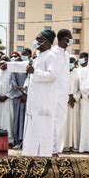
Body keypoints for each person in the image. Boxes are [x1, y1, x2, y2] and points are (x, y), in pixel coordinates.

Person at [21, 29, 57, 157]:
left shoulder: (51, 55)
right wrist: (8, 65)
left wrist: (34, 71)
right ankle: (30, 154)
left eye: (38, 39)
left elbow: (52, 75)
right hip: (34, 99)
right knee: (32, 127)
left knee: (43, 129)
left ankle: (43, 156)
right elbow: (27, 68)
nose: (35, 41)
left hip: (43, 100)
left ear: (45, 41)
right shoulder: (38, 55)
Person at [51, 29, 72, 156]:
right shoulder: (52, 53)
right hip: (53, 92)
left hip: (63, 93)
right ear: (63, 39)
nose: (70, 42)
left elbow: (66, 75)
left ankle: (57, 148)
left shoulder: (67, 54)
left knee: (61, 121)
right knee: (53, 121)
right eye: (69, 39)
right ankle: (52, 149)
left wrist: (70, 93)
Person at [10, 49, 30, 148]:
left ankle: (25, 141)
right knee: (17, 119)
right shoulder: (14, 69)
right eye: (23, 54)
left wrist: (25, 94)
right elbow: (13, 82)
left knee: (26, 119)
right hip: (17, 97)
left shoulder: (28, 68)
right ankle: (17, 141)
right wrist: (20, 93)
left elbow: (29, 81)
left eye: (26, 54)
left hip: (27, 98)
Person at [0, 58, 14, 146]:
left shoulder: (11, 71)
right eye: (1, 63)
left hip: (7, 99)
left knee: (8, 119)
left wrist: (6, 96)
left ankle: (9, 140)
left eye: (4, 63)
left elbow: (13, 85)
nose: (2, 65)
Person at [64, 55, 81, 152]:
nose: (70, 63)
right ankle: (64, 145)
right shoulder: (62, 73)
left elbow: (80, 88)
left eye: (72, 61)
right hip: (64, 102)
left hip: (74, 102)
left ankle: (74, 145)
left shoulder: (78, 73)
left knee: (74, 124)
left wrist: (74, 98)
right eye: (69, 61)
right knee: (64, 124)